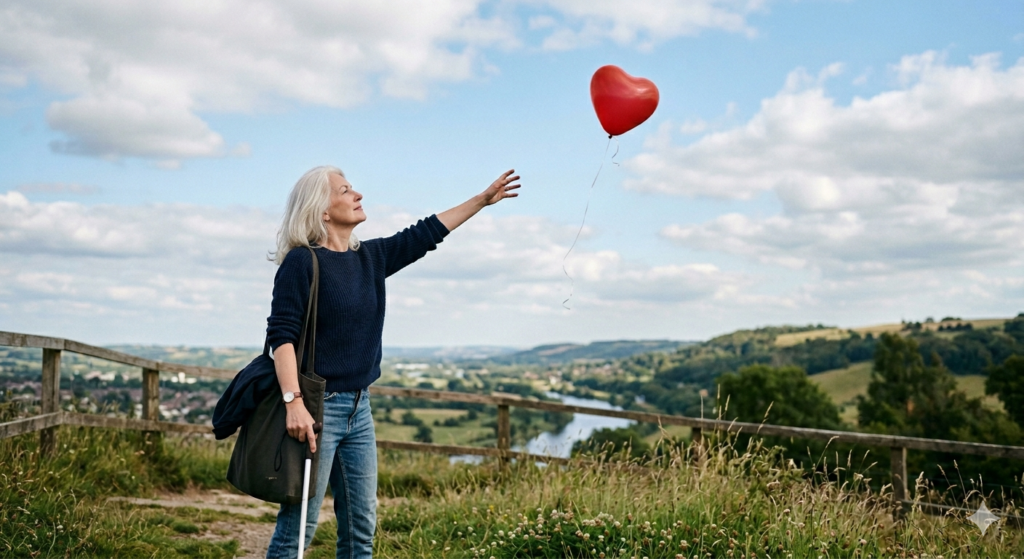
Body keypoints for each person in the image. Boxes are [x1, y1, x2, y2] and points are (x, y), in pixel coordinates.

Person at [264, 165, 520, 558]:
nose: (358, 195)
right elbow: (281, 338)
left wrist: (483, 201)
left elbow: (426, 233)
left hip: (359, 409)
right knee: (298, 530)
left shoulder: (371, 258)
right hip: (317, 411)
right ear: (322, 210)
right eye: (345, 190)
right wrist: (292, 402)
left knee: (361, 530)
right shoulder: (302, 263)